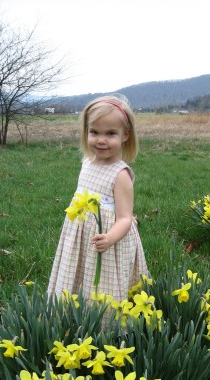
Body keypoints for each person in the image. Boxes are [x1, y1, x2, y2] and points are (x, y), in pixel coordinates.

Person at [47, 95, 149, 303]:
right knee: (79, 272)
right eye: (94, 132)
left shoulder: (120, 174)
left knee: (103, 281)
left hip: (109, 241)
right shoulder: (87, 162)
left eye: (110, 133)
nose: (101, 140)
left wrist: (110, 238)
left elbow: (125, 218)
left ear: (125, 135)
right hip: (81, 236)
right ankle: (71, 314)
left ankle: (107, 324)